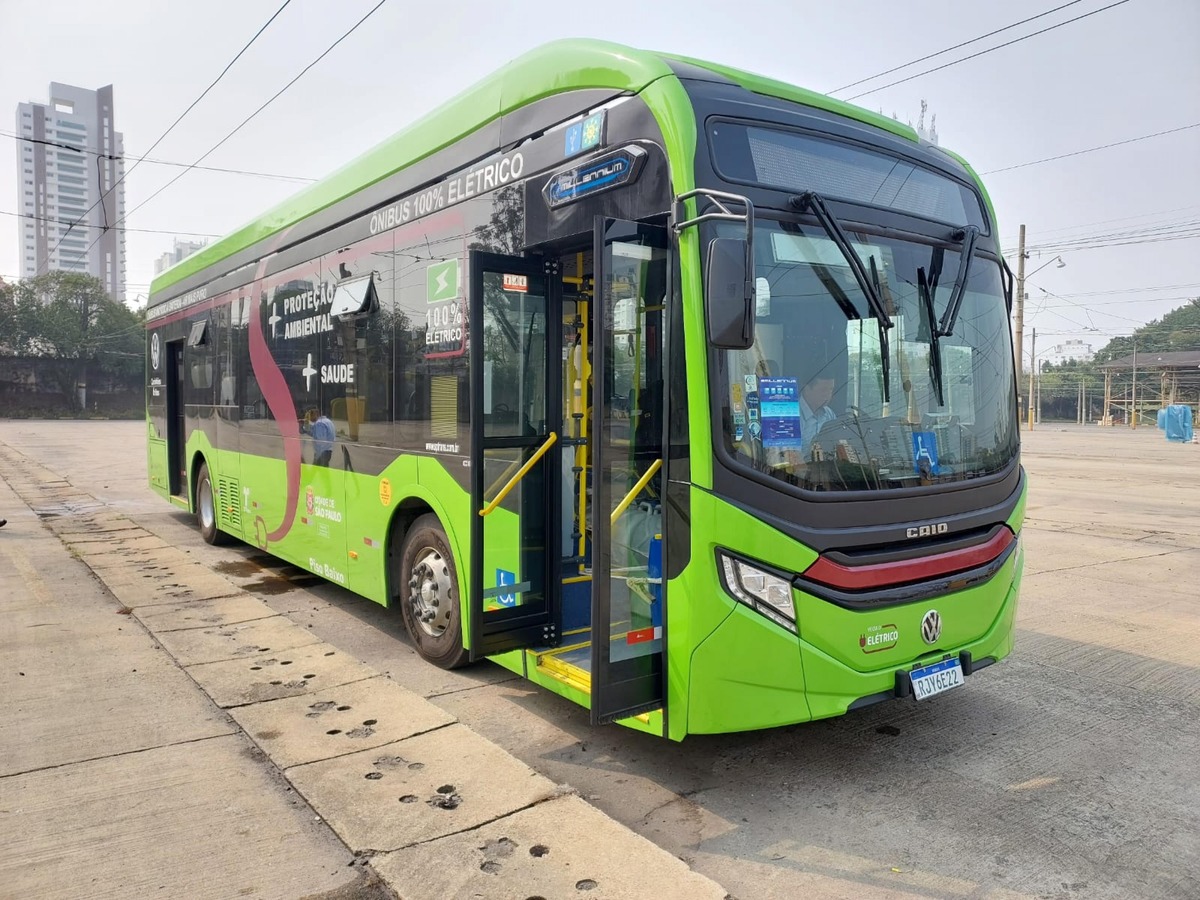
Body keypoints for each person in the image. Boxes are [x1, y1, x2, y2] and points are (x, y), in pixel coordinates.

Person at [799, 374, 837, 455]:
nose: (828, 395)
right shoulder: (791, 416)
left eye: (830, 390)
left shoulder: (829, 414)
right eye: (823, 390)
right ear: (807, 389)